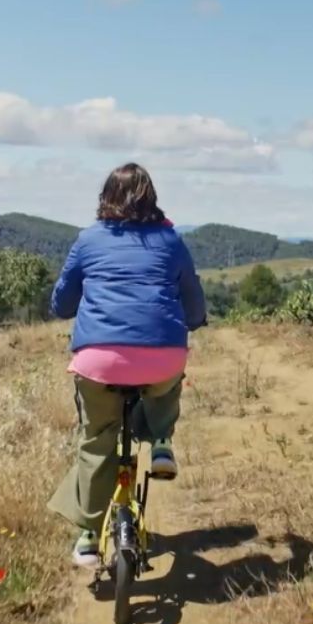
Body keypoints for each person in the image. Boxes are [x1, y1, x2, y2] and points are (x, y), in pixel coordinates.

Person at [47, 162, 207, 567]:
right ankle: (162, 443)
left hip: (98, 362)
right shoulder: (171, 241)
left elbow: (61, 303)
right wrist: (191, 322)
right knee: (164, 384)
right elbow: (194, 299)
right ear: (150, 196)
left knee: (96, 441)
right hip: (161, 354)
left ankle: (87, 537)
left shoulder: (87, 240)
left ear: (106, 197)